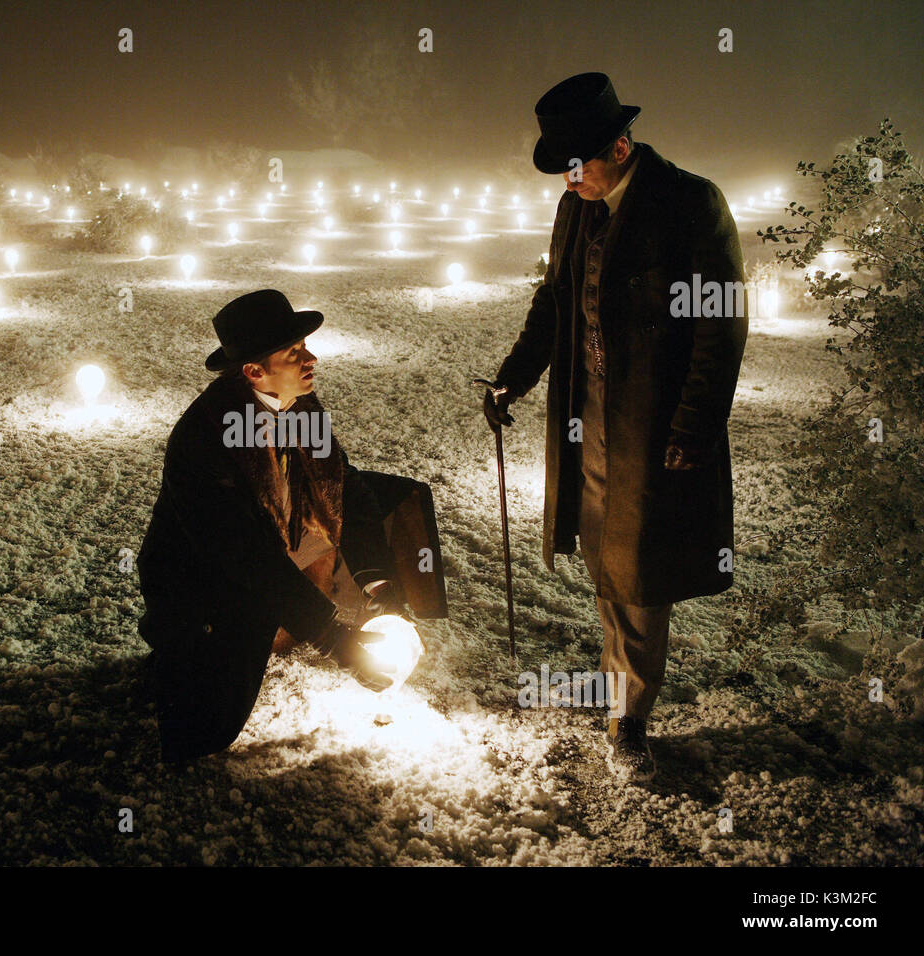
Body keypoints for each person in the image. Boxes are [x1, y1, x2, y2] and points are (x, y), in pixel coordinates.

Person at [483, 73, 748, 782]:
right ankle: (616, 691)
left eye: (577, 166)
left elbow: (719, 330)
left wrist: (691, 429)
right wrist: (515, 375)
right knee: (606, 563)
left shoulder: (691, 203)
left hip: (655, 429)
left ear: (620, 146)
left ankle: (628, 721)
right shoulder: (576, 209)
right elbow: (554, 301)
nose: (569, 182)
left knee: (640, 577)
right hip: (586, 420)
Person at [138, 289, 447, 763]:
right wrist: (335, 639)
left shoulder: (299, 403)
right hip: (204, 577)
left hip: (278, 531)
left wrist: (381, 586)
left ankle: (341, 606)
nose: (312, 359)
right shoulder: (205, 436)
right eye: (295, 353)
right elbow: (244, 555)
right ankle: (187, 658)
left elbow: (342, 485)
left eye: (305, 346)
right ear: (254, 371)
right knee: (208, 723)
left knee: (397, 499)